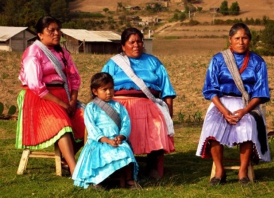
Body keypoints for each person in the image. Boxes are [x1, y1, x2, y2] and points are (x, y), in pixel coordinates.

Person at [196, 23, 271, 185]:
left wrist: (244, 111)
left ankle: (243, 171)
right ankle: (219, 170)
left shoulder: (257, 62)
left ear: (249, 40)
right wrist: (223, 111)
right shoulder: (218, 59)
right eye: (237, 38)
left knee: (248, 127)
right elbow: (210, 89)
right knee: (212, 127)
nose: (241, 42)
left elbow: (260, 92)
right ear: (230, 40)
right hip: (221, 103)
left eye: (244, 38)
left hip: (247, 105)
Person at [101, 27, 176, 179]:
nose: (136, 45)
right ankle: (118, 166)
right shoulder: (113, 63)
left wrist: (168, 112)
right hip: (119, 104)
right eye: (132, 42)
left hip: (149, 102)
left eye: (139, 41)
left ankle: (152, 165)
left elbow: (167, 90)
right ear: (123, 46)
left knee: (158, 124)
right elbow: (101, 86)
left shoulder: (153, 62)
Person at [16, 16, 85, 175]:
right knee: (62, 124)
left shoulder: (62, 53)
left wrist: (73, 100)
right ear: (40, 34)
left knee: (88, 121)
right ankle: (75, 170)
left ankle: (66, 159)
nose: (56, 33)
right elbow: (36, 85)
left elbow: (74, 77)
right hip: (40, 97)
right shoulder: (33, 53)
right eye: (51, 30)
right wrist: (62, 104)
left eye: (58, 30)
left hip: (64, 95)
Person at [72, 72, 139, 189]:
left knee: (125, 150)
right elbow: (91, 128)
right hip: (98, 141)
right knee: (100, 155)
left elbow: (126, 123)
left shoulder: (119, 106)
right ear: (95, 91)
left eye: (111, 89)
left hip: (116, 140)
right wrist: (106, 140)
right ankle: (97, 180)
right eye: (104, 89)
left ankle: (129, 180)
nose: (109, 92)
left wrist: (121, 137)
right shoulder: (91, 108)